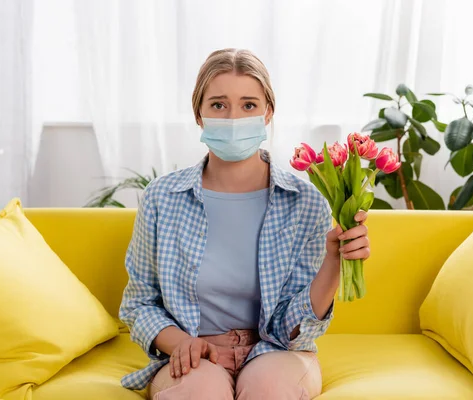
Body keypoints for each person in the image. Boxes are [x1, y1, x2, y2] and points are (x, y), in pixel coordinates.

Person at [119, 48, 370, 400]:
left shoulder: (305, 200)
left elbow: (292, 330)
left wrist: (335, 260)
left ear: (268, 112)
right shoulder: (162, 197)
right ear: (199, 115)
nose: (234, 118)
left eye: (249, 105)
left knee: (270, 389)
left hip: (277, 351)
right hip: (194, 353)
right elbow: (139, 302)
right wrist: (182, 343)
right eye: (218, 105)